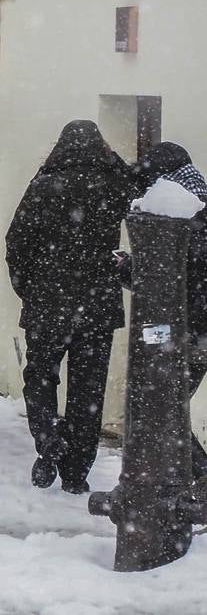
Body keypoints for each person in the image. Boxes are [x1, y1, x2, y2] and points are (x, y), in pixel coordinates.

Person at [5, 120, 141, 494]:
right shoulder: (114, 186)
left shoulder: (45, 185)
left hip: (48, 304)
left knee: (41, 377)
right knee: (88, 390)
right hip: (97, 307)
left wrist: (28, 289)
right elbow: (140, 191)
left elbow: (16, 241)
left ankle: (49, 444)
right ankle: (77, 469)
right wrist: (114, 163)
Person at [127, 142, 207, 480]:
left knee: (160, 410)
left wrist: (130, 270)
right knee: (165, 409)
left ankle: (197, 480)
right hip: (190, 331)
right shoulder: (195, 203)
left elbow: (173, 279)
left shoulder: (182, 214)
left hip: (184, 331)